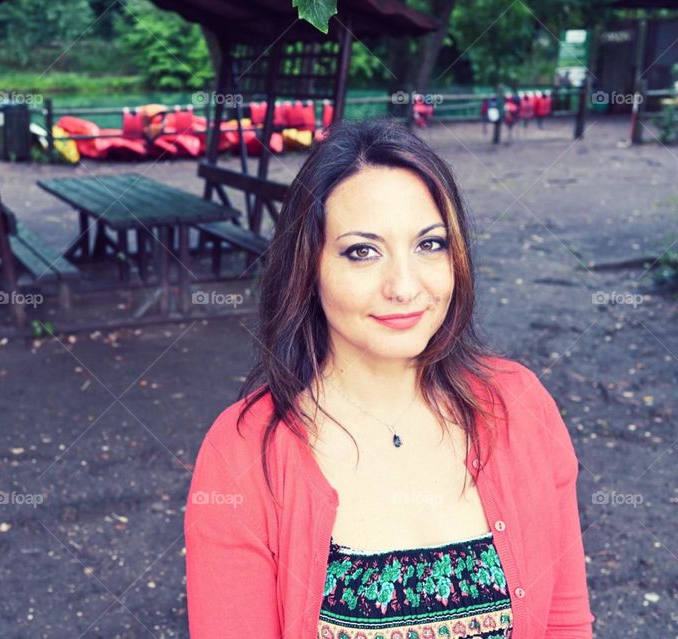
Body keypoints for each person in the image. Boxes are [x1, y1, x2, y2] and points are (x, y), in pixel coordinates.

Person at [184, 118, 595, 639]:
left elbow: (564, 625)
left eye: (429, 245)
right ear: (308, 267)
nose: (404, 287)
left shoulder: (521, 407)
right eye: (363, 251)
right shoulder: (243, 453)